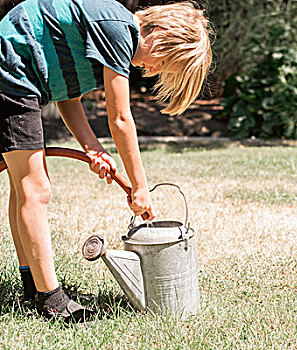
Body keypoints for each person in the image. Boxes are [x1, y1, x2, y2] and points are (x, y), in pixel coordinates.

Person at [0, 0, 212, 322]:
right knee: (36, 189)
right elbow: (121, 119)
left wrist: (92, 148)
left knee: (23, 186)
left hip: (19, 70)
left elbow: (68, 97)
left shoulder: (107, 33)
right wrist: (140, 187)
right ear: (160, 33)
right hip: (12, 68)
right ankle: (52, 301)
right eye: (165, 60)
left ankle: (32, 284)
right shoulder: (119, 30)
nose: (154, 70)